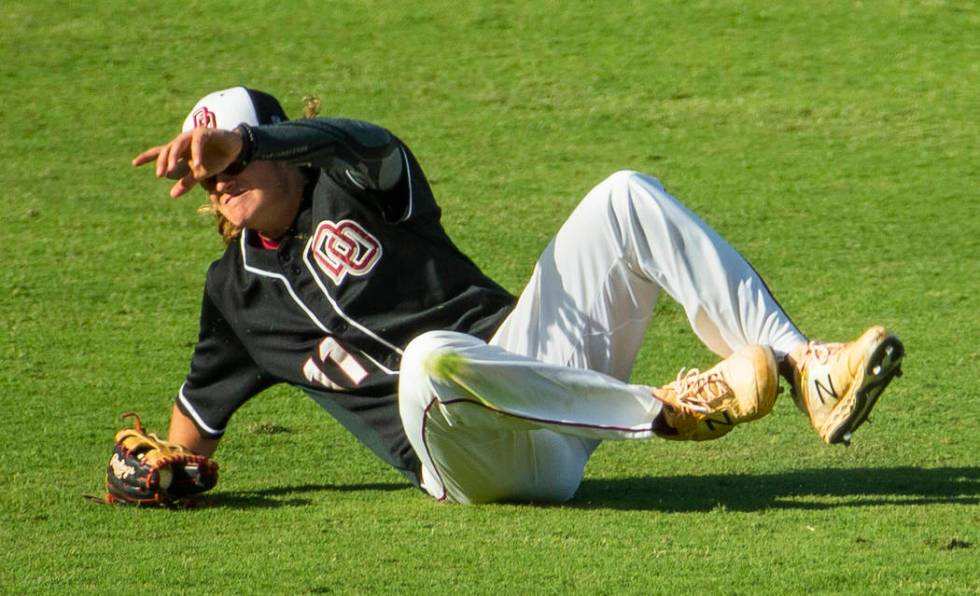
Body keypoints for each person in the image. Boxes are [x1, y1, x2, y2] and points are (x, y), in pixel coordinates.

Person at [132, 86, 904, 504]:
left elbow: (367, 140)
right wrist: (151, 468)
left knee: (624, 195)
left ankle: (810, 370)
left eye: (229, 151)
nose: (219, 174)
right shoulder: (234, 295)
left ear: (286, 150)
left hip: (538, 371)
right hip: (472, 459)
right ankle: (666, 409)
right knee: (431, 362)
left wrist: (257, 142)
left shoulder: (356, 183)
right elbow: (189, 433)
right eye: (207, 165)